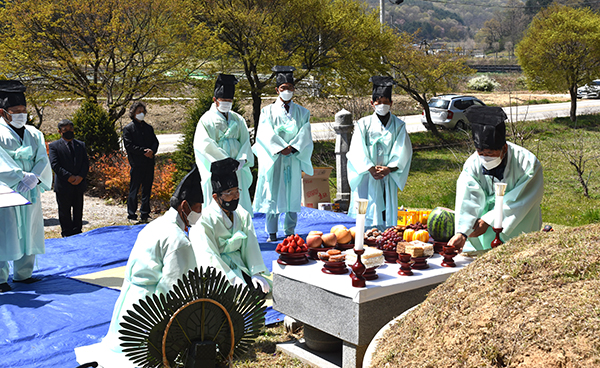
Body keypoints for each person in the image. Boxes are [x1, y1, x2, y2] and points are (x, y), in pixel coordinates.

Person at [100, 165, 203, 354]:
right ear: (185, 206)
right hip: (147, 314)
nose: (200, 213)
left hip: (127, 306)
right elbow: (175, 288)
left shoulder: (154, 225)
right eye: (198, 208)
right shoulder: (179, 241)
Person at [447, 105, 544, 254]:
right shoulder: (473, 164)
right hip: (483, 232)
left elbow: (521, 200)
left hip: (519, 226)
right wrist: (462, 232)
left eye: (490, 153)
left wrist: (489, 220)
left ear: (504, 148)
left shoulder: (528, 163)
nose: (485, 157)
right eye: (480, 152)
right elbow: (468, 197)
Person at [0, 80, 52, 293]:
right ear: (4, 112)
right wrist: (20, 176)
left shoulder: (34, 133)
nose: (21, 114)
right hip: (6, 190)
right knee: (5, 231)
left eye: (24, 110)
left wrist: (35, 177)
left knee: (29, 228)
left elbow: (42, 158)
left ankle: (24, 274)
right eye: (16, 111)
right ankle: (1, 278)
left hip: (30, 189)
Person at [191, 158, 270, 294]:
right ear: (216, 197)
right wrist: (231, 279)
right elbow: (209, 256)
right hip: (218, 272)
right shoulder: (205, 220)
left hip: (239, 264)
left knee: (258, 291)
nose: (234, 197)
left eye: (236, 192)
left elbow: (250, 245)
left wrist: (255, 272)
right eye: (229, 194)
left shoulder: (241, 214)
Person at [252, 66, 314, 241]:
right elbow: (264, 134)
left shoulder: (303, 112)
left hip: (293, 158)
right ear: (277, 90)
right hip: (276, 158)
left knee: (292, 194)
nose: (287, 91)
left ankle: (290, 231)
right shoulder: (267, 111)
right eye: (283, 88)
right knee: (273, 193)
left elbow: (305, 132)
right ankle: (271, 232)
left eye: (290, 88)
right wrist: (280, 147)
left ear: (294, 89)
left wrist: (293, 147)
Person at [346, 76, 413, 227]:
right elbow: (356, 149)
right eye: (379, 102)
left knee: (386, 209)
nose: (382, 105)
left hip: (387, 176)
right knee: (366, 208)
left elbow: (403, 149)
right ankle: (364, 236)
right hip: (367, 175)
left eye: (385, 102)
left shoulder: (399, 125)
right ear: (372, 103)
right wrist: (369, 167)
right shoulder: (363, 124)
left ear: (391, 103)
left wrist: (390, 168)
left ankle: (385, 234)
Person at [194, 74, 254, 214]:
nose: (227, 103)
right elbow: (204, 144)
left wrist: (241, 160)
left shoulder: (238, 119)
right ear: (215, 100)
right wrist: (226, 162)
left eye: (229, 100)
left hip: (237, 167)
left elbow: (245, 141)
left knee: (239, 200)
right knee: (219, 201)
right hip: (218, 167)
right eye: (223, 100)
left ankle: (242, 229)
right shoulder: (206, 120)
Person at [48, 119, 89, 237]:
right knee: (64, 211)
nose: (69, 132)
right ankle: (66, 233)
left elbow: (85, 163)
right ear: (60, 131)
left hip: (79, 184)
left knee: (78, 210)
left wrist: (80, 176)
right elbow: (55, 165)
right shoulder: (54, 146)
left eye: (71, 129)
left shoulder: (80, 145)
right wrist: (69, 177)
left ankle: (77, 232)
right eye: (65, 130)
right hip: (64, 185)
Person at [122, 101, 159, 223]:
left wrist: (152, 151)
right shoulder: (128, 129)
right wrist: (144, 151)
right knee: (134, 189)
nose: (141, 114)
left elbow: (155, 142)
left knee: (147, 190)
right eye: (139, 112)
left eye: (143, 111)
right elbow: (129, 146)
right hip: (137, 164)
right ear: (133, 113)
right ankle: (132, 215)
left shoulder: (148, 128)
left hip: (149, 163)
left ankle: (145, 214)